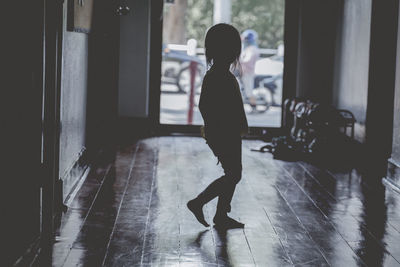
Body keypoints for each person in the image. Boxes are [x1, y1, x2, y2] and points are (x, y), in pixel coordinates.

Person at [187, 24, 248, 229]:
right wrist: (221, 129)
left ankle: (221, 215)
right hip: (224, 133)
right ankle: (199, 202)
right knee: (234, 174)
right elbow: (206, 106)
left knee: (232, 172)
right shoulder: (218, 76)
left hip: (223, 132)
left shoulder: (218, 74)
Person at [240, 29, 260, 110]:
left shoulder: (252, 49)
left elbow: (247, 60)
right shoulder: (250, 48)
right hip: (245, 71)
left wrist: (240, 60)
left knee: (249, 91)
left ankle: (254, 106)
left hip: (248, 72)